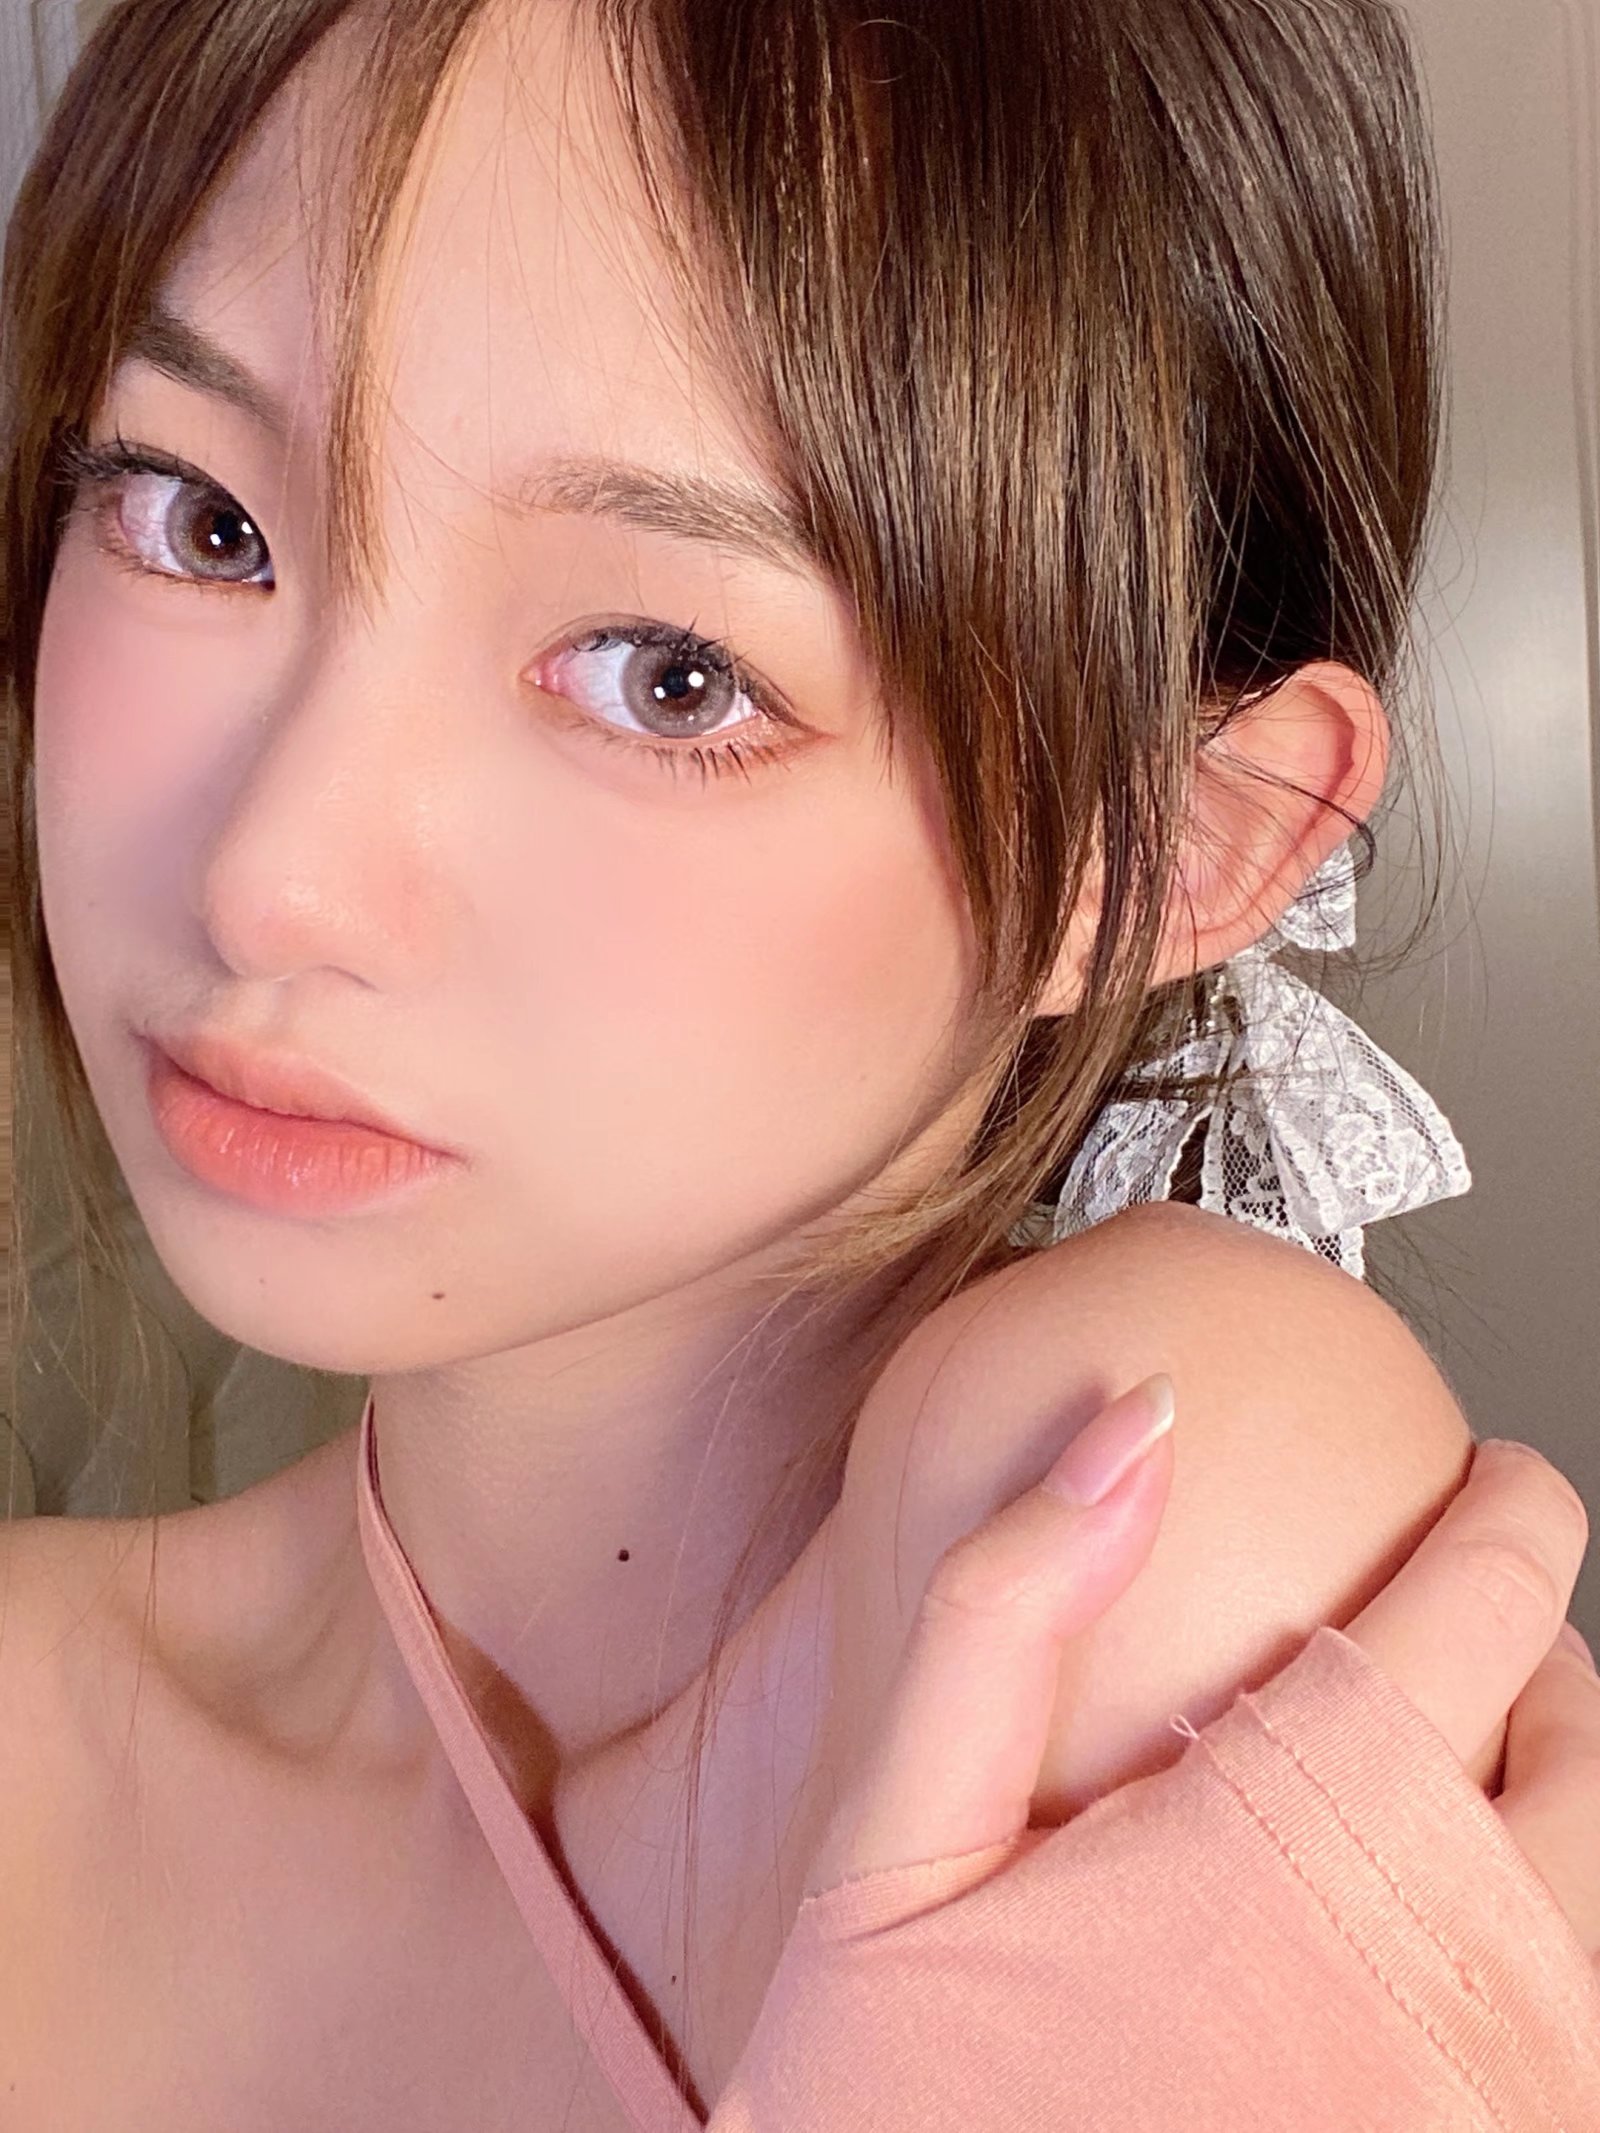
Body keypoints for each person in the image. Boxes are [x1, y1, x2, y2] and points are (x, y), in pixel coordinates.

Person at [1, 0, 1595, 2126]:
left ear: (1179, 836)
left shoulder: (1137, 1564)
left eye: (667, 675)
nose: (268, 876)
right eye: (202, 518)